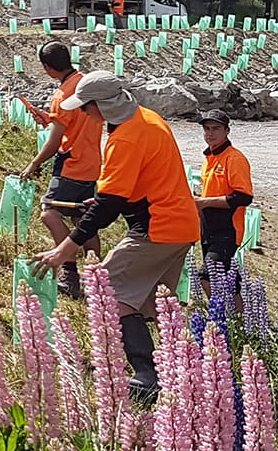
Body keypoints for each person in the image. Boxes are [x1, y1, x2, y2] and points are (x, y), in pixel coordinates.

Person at [29, 71, 198, 399]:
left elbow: (107, 208)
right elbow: (141, 178)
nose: (83, 112)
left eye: (86, 106)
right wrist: (113, 198)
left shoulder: (127, 137)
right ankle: (176, 374)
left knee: (105, 290)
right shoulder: (146, 118)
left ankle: (147, 375)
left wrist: (65, 249)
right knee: (151, 302)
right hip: (180, 224)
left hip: (158, 228)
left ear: (103, 105)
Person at [19, 41, 104, 298]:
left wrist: (34, 164)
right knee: (83, 219)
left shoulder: (62, 95)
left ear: (47, 68)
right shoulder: (86, 84)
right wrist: (51, 119)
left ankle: (69, 271)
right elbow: (72, 125)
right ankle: (96, 278)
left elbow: (56, 141)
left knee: (49, 213)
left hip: (71, 165)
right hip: (92, 163)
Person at [194, 109, 254, 273]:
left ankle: (216, 301)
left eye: (215, 128)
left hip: (228, 229)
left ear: (227, 131)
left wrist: (203, 202)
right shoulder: (209, 159)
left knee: (207, 276)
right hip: (208, 228)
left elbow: (243, 197)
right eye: (207, 129)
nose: (210, 133)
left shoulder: (234, 159)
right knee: (228, 283)